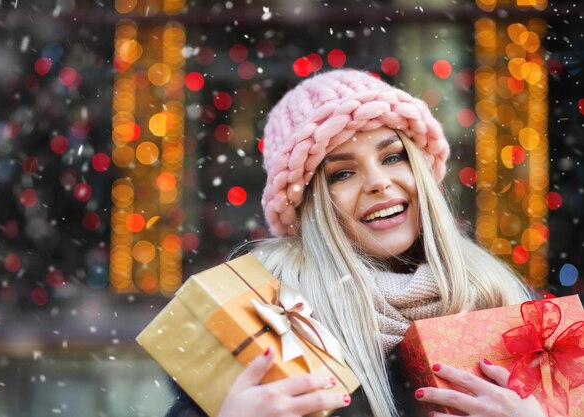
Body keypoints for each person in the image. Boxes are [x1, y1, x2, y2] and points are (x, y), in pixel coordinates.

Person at [165, 69, 546, 417]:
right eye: (342, 173)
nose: (378, 182)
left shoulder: (504, 304)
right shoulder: (266, 323)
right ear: (307, 206)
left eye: (393, 156)